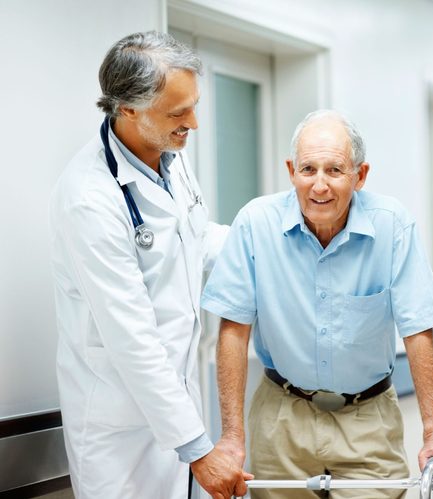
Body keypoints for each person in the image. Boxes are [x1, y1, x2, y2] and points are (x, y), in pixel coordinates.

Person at [200, 109, 433, 499]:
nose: (319, 186)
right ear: (291, 171)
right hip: (281, 417)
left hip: (368, 420)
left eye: (334, 170)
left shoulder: (391, 225)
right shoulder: (255, 223)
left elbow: (418, 330)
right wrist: (231, 437)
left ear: (360, 175)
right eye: (308, 169)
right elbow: (233, 333)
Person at [49, 31, 251, 499]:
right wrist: (199, 450)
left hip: (177, 405)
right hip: (118, 432)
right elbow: (132, 339)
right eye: (179, 113)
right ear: (128, 108)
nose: (194, 123)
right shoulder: (89, 199)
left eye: (194, 106)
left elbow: (194, 241)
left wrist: (262, 242)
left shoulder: (170, 158)